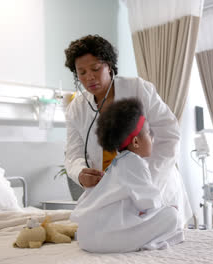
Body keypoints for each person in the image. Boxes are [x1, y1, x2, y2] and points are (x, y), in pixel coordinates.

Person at [64, 34, 192, 228]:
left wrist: (147, 183)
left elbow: (170, 134)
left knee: (160, 242)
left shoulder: (138, 89)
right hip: (110, 192)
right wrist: (80, 173)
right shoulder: (76, 109)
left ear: (109, 65)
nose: (89, 77)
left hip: (156, 183)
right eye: (81, 72)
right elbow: (73, 154)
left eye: (95, 69)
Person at [71, 98, 183, 253]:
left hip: (86, 237)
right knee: (172, 216)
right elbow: (149, 202)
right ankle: (149, 241)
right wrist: (166, 208)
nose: (152, 138)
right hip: (103, 239)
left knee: (163, 214)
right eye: (149, 133)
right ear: (136, 142)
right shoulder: (135, 163)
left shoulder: (118, 163)